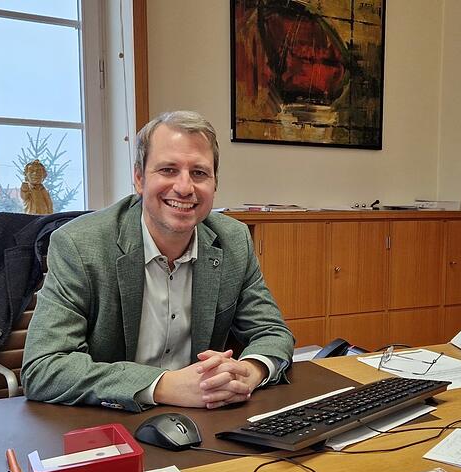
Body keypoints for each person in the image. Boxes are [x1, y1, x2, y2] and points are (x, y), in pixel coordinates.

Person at [21, 111, 293, 412]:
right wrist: (163, 385)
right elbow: (44, 368)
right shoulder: (80, 245)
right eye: (168, 170)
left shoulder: (233, 241)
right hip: (113, 421)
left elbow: (272, 332)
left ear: (214, 183)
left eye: (199, 173)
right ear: (139, 178)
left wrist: (250, 371)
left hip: (203, 419)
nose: (185, 188)